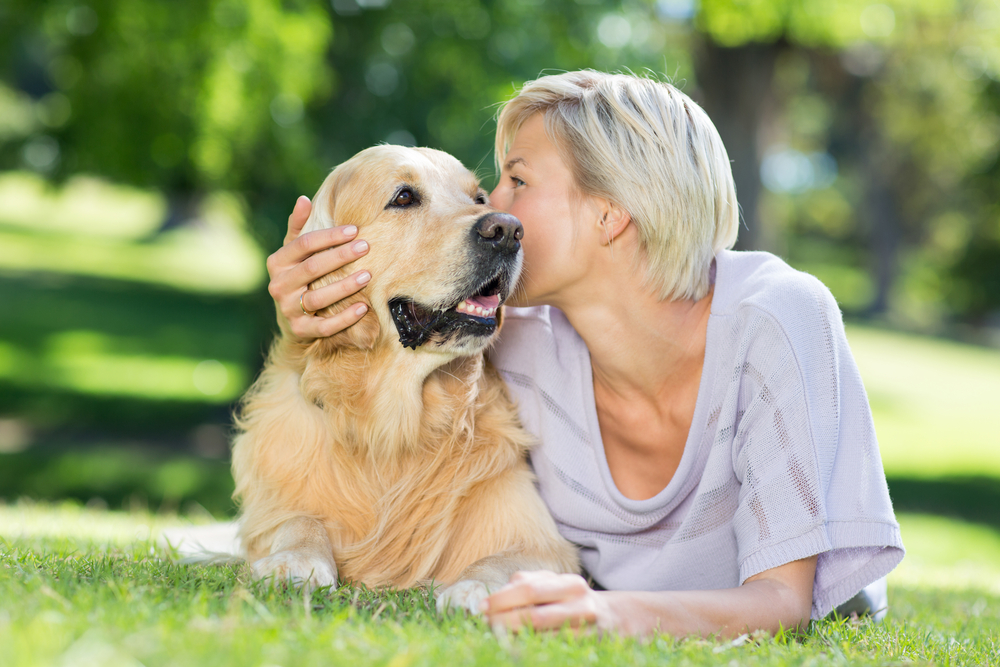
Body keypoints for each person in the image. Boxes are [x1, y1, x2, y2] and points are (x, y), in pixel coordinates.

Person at [265, 71, 904, 637]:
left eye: (515, 181)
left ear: (610, 214)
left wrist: (604, 614)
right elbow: (366, 366)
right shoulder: (507, 331)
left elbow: (782, 602)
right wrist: (310, 303)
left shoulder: (778, 317)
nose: (490, 210)